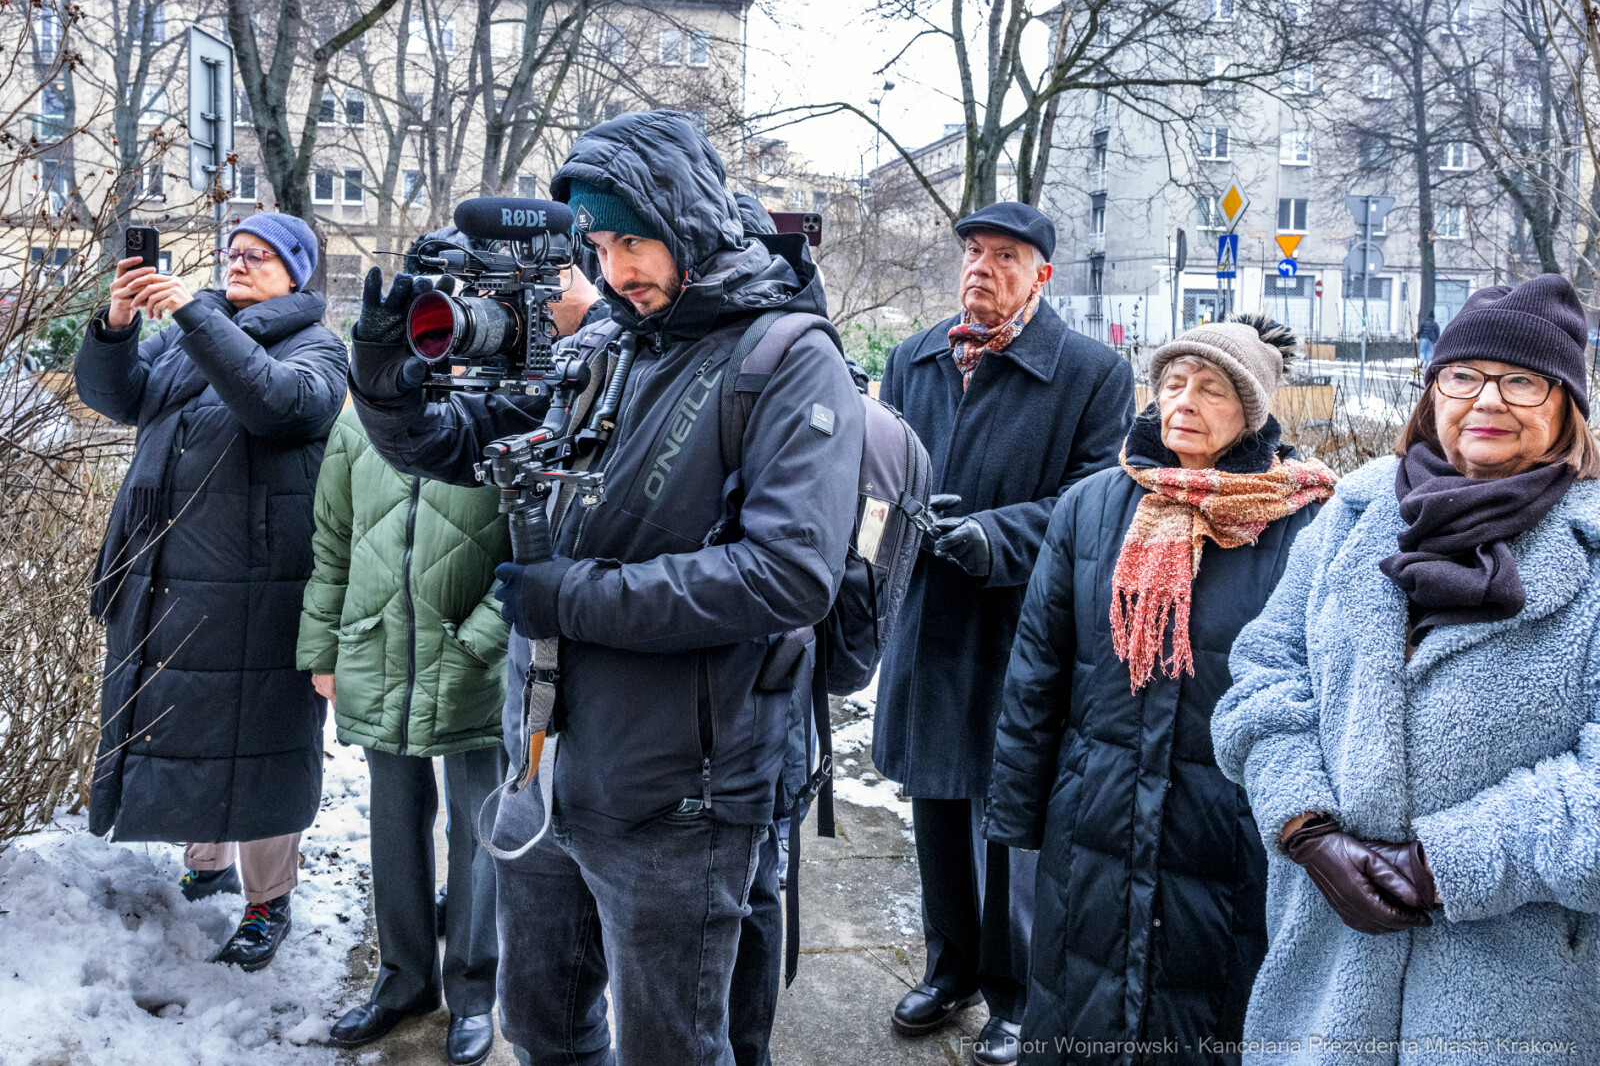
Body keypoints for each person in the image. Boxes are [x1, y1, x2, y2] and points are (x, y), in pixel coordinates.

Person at [346, 109, 865, 1066]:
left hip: (679, 798)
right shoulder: (608, 346)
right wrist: (384, 383)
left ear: (688, 221)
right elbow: (461, 445)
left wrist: (570, 598)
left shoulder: (789, 359)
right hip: (543, 772)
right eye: (598, 246)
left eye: (634, 240)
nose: (616, 268)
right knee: (542, 1026)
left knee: (671, 1047)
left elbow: (788, 575)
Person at [1214, 273, 1600, 1064]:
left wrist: (1441, 865)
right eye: (1463, 375)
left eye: (1521, 380)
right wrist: (1307, 829)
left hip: (1517, 998)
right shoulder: (1353, 516)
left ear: (1566, 404)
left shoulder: (1590, 552)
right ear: (1433, 391)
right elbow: (1264, 672)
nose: (1486, 399)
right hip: (1329, 977)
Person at [984, 314, 1336, 1063]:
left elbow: (1321, 698)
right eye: (1174, 382)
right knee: (1080, 1008)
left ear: (1252, 411)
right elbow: (1038, 668)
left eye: (1211, 389)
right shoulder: (1092, 506)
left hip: (1224, 832)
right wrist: (1018, 812)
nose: (1185, 401)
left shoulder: (1302, 525)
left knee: (1203, 1019)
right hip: (1095, 818)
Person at [872, 201, 1135, 1064]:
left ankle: (1017, 992)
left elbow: (1093, 500)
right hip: (926, 614)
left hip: (1021, 625)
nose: (980, 268)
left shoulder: (1092, 372)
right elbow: (886, 476)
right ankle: (949, 967)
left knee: (1011, 812)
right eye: (972, 252)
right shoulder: (915, 358)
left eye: (1004, 256)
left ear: (1041, 274)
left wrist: (994, 537)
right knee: (936, 803)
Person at [74, 214, 347, 971]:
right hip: (168, 570)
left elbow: (278, 404)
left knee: (261, 736)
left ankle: (269, 899)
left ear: (296, 273)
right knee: (190, 713)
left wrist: (196, 315)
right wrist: (117, 324)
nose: (240, 262)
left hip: (260, 582)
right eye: (234, 252)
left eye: (260, 255)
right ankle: (208, 863)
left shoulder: (317, 345)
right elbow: (115, 397)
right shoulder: (186, 335)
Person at [297, 390, 512, 1064]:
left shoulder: (504, 416)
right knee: (393, 822)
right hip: (377, 654)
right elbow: (332, 542)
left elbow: (537, 547)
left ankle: (473, 994)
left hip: (474, 666)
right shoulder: (356, 423)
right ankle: (404, 982)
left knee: (479, 830)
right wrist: (323, 650)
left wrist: (483, 640)